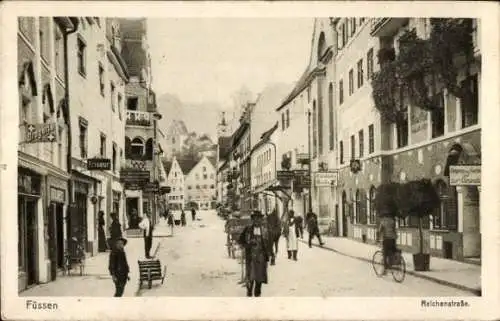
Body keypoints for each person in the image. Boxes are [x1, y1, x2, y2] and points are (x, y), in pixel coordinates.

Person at [238, 210, 273, 297]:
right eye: (255, 219)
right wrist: (248, 244)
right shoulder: (248, 229)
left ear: (261, 220)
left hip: (261, 258)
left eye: (259, 219)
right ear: (252, 220)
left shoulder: (265, 230)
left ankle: (257, 293)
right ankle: (249, 291)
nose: (257, 220)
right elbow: (240, 240)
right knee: (251, 277)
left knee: (260, 277)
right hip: (251, 257)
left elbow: (269, 243)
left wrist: (271, 254)